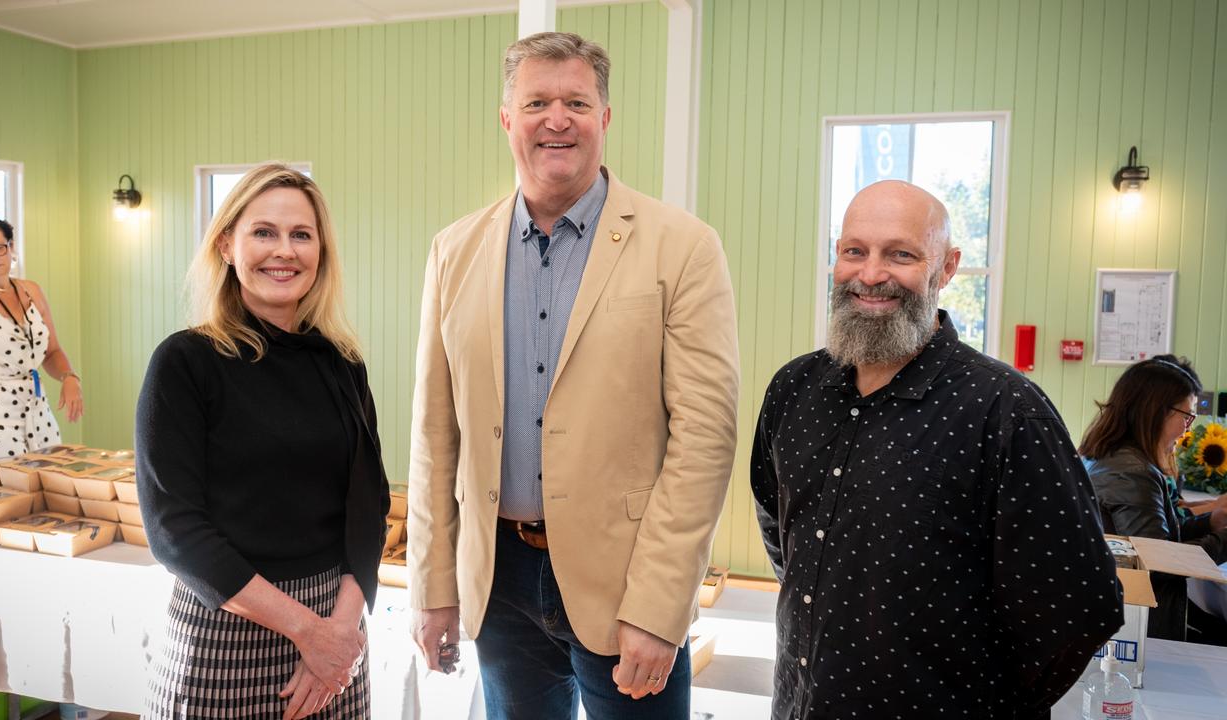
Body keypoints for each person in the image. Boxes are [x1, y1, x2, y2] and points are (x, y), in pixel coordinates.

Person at [407, 31, 739, 720]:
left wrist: (659, 603)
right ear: (507, 120)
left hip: (627, 582)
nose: (556, 119)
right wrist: (433, 584)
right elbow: (435, 436)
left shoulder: (682, 248)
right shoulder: (454, 251)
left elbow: (704, 437)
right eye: (536, 102)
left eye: (576, 102)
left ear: (605, 119)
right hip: (499, 582)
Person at [751, 180, 1124, 719]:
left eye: (900, 254)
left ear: (946, 268)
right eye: (853, 251)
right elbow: (780, 527)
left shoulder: (1007, 410)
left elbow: (1076, 605)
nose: (871, 274)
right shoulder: (795, 389)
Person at [135, 164, 389, 719]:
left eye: (301, 234)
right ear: (227, 245)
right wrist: (306, 632)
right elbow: (174, 531)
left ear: (320, 251)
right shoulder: (185, 362)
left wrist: (339, 632)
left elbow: (370, 507)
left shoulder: (342, 364)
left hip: (334, 635)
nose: (285, 251)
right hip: (226, 628)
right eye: (263, 232)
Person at [1080, 355, 1227, 641]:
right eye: (1186, 416)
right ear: (1156, 412)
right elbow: (1157, 564)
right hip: (1142, 623)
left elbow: (1153, 536)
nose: (1187, 429)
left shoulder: (1118, 458)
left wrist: (1211, 521)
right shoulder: (1131, 472)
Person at [0, 213, 82, 467]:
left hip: (34, 405)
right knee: (0, 499)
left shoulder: (31, 290)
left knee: (50, 488)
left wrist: (69, 377)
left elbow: (51, 352)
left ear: (11, 247)